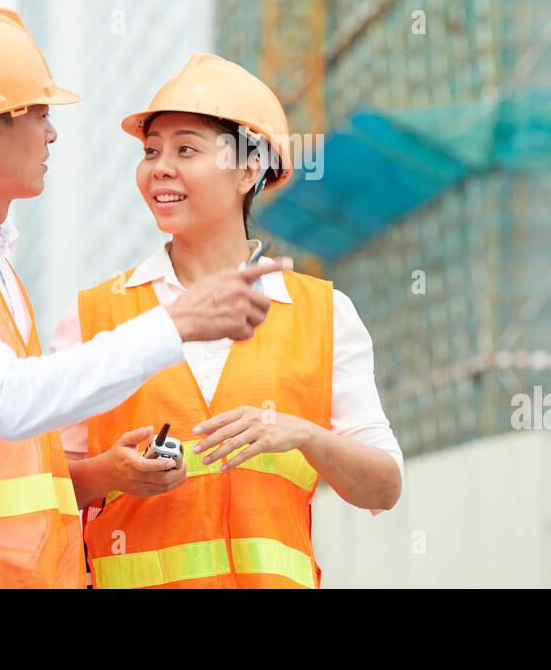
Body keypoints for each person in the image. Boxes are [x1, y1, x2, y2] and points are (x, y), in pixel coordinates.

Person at [0, 9, 286, 589]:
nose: (52, 134)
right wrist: (173, 325)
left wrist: (103, 472)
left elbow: (12, 438)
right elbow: (2, 400)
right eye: (41, 115)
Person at [56, 53, 403, 588]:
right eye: (151, 151)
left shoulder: (324, 315)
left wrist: (303, 434)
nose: (159, 167)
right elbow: (39, 487)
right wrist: (111, 473)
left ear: (247, 169)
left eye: (186, 149)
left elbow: (383, 487)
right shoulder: (94, 316)